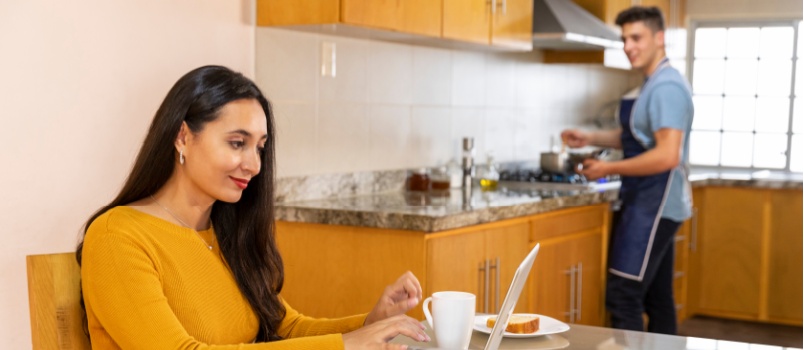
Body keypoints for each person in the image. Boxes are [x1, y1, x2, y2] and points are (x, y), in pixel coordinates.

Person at [76, 65, 430, 349]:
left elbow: (285, 327)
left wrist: (371, 323)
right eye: (236, 143)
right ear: (183, 136)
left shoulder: (226, 232)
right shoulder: (117, 236)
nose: (254, 164)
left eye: (259, 147)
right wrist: (344, 346)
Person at [561, 6, 693, 335]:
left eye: (637, 37)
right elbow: (637, 136)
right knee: (658, 298)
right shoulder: (654, 83)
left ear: (659, 38)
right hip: (649, 202)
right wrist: (590, 136)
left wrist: (608, 166)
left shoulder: (665, 88)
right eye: (624, 39)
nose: (628, 46)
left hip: (655, 205)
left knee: (624, 295)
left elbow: (667, 156)